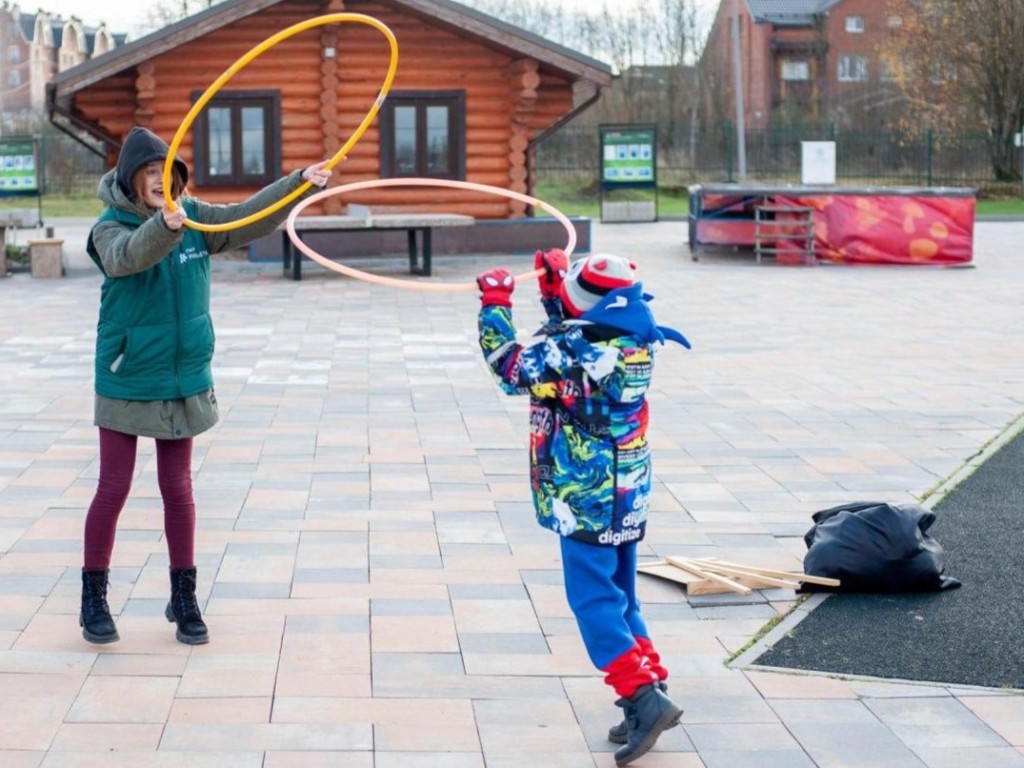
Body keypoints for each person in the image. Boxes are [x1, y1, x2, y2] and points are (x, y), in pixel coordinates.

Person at [80, 126, 331, 646]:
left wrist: (299, 184)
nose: (160, 182)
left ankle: (184, 596)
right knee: (114, 487)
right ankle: (94, 598)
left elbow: (246, 217)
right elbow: (130, 256)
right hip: (127, 373)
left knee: (178, 489)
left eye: (167, 174)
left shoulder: (192, 218)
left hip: (184, 375)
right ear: (131, 181)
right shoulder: (108, 228)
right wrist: (168, 226)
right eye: (150, 174)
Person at [476, 250, 690, 767]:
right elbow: (572, 340)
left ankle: (642, 696)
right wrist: (555, 291)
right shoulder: (634, 334)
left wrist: (495, 302)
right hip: (627, 489)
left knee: (592, 600)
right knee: (622, 595)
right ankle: (648, 686)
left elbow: (512, 367)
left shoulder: (572, 348)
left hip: (585, 495)